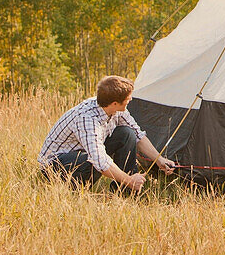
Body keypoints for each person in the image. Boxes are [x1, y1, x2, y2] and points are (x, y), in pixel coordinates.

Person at [38, 75, 176, 192]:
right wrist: (129, 180)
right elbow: (100, 161)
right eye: (128, 98)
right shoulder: (87, 119)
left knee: (127, 134)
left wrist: (159, 160)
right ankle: (73, 190)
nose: (131, 100)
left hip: (83, 154)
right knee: (93, 160)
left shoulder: (115, 110)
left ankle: (124, 193)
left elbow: (137, 134)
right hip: (55, 165)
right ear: (115, 103)